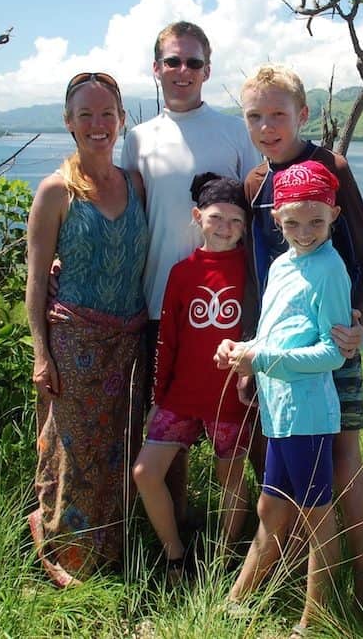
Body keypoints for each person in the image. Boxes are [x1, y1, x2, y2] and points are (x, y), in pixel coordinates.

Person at [238, 64, 363, 603]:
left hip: (332, 343)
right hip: (276, 356)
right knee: (287, 474)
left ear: (301, 113)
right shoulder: (256, 184)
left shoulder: (330, 167)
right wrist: (255, 347)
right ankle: (298, 578)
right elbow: (257, 273)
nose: (268, 126)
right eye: (256, 116)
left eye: (279, 114)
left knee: (343, 463)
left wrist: (357, 321)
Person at [121, 21, 260, 529]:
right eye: (173, 61)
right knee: (169, 428)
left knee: (238, 431)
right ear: (157, 68)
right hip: (158, 300)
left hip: (227, 310)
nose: (183, 71)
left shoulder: (231, 133)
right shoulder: (138, 138)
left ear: (207, 69)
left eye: (193, 62)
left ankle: (248, 544)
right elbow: (130, 214)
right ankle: (175, 542)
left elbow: (256, 219)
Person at [25, 71, 148, 587]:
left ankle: (111, 549)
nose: (97, 124)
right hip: (74, 338)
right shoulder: (57, 191)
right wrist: (41, 353)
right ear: (69, 122)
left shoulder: (136, 183)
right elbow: (35, 281)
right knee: (72, 447)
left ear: (121, 119)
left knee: (120, 445)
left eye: (107, 114)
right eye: (86, 115)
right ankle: (63, 550)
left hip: (130, 340)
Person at [220, 161, 350, 637]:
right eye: (292, 221)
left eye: (316, 221)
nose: (305, 231)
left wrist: (264, 360)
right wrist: (242, 350)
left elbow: (333, 351)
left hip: (308, 416)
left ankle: (313, 623)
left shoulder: (330, 270)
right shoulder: (281, 265)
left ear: (333, 214)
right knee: (271, 509)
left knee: (316, 518)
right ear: (275, 217)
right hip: (278, 414)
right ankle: (237, 602)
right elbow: (276, 333)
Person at [131, 173, 253, 581]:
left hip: (229, 398)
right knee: (146, 473)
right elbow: (168, 341)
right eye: (217, 217)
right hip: (181, 395)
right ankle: (175, 555)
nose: (226, 228)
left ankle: (221, 561)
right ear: (198, 216)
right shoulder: (182, 272)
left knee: (230, 479)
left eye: (237, 222)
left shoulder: (252, 271)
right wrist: (157, 398)